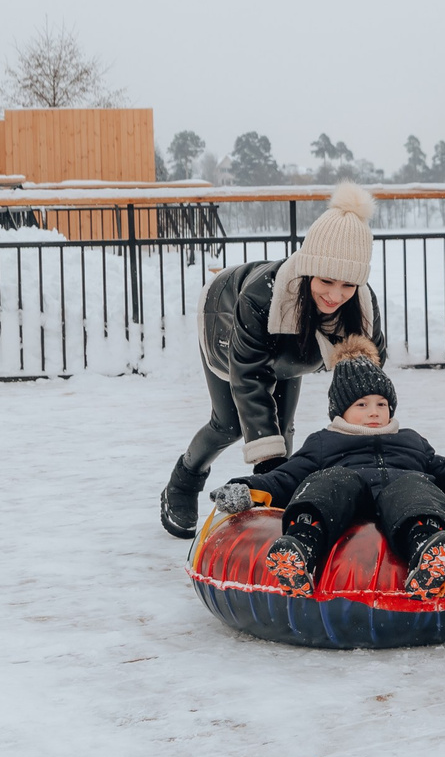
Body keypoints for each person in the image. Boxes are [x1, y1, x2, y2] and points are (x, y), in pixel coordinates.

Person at [160, 182, 389, 537]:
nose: (335, 295)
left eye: (347, 285)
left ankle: (270, 507)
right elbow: (249, 377)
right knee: (232, 425)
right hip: (226, 320)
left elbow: (368, 378)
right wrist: (271, 467)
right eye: (326, 280)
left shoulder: (359, 303)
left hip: (294, 349)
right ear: (308, 269)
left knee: (283, 430)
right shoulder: (259, 298)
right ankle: (185, 480)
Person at [208, 340, 445, 597]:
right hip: (345, 502)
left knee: (416, 484)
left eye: (381, 404)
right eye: (362, 405)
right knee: (331, 480)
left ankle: (428, 549)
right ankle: (300, 548)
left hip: (401, 501)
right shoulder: (325, 442)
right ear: (342, 411)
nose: (374, 412)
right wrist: (247, 489)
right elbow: (286, 477)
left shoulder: (410, 440)